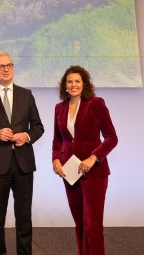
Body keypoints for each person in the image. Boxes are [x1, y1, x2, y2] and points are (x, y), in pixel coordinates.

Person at [0, 52, 44, 255]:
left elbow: (38, 127)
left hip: (23, 164)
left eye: (9, 65)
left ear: (13, 67)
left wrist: (27, 136)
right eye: (1, 66)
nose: (6, 69)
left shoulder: (26, 94)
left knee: (24, 216)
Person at [52, 65, 118, 255]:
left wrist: (93, 157)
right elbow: (58, 140)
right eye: (70, 81)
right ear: (65, 85)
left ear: (84, 84)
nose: (73, 85)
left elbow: (112, 137)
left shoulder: (96, 103)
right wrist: (56, 159)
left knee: (92, 226)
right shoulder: (59, 108)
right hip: (69, 172)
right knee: (80, 224)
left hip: (94, 172)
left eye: (77, 81)